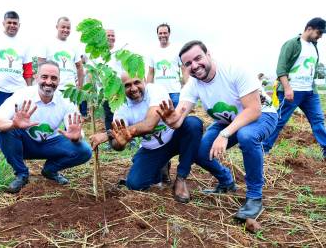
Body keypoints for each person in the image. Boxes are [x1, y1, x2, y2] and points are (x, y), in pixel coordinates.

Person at [158, 40, 278, 220]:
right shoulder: (193, 84)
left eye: (198, 58)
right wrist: (172, 119)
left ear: (208, 55)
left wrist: (224, 134)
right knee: (199, 151)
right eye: (188, 64)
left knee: (246, 136)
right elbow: (180, 113)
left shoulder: (234, 70)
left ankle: (254, 197)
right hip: (227, 120)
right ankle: (226, 182)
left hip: (261, 115)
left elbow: (253, 110)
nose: (195, 66)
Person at [90, 73, 203, 203]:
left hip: (174, 137)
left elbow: (149, 124)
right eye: (127, 85)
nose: (133, 88)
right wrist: (120, 143)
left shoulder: (155, 90)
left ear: (144, 80)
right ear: (121, 88)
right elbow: (117, 143)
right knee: (135, 184)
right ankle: (162, 166)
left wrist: (107, 134)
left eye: (136, 82)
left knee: (193, 124)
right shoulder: (121, 107)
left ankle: (181, 178)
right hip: (152, 148)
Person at [0, 60, 92, 193]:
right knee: (6, 131)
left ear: (59, 81)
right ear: (36, 77)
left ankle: (50, 170)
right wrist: (13, 124)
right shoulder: (23, 95)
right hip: (25, 145)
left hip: (51, 144)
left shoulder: (66, 101)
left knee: (84, 150)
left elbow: (76, 131)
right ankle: (21, 174)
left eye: (54, 78)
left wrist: (76, 138)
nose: (49, 82)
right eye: (44, 77)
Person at [263, 17, 326, 159]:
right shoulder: (292, 44)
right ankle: (263, 149)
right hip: (292, 91)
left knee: (318, 121)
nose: (320, 37)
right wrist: (287, 88)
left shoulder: (314, 46)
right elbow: (281, 68)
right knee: (278, 120)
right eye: (319, 32)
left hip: (310, 92)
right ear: (309, 28)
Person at [0, 11, 33, 151]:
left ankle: (15, 152)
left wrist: (29, 90)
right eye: (9, 22)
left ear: (19, 25)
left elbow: (28, 69)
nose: (12, 25)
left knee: (17, 122)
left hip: (19, 91)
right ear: (3, 23)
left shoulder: (25, 44)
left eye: (15, 23)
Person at [146, 23, 188, 108]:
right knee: (159, 119)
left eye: (165, 33)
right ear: (157, 34)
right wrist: (147, 90)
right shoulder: (152, 52)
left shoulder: (177, 50)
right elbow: (150, 72)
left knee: (177, 117)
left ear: (169, 33)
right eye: (160, 33)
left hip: (175, 92)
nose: (163, 35)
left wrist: (187, 87)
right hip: (158, 93)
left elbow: (184, 69)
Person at [38, 16, 84, 91]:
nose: (65, 30)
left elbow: (80, 67)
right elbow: (40, 65)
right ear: (57, 27)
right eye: (63, 27)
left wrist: (80, 87)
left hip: (70, 90)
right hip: (52, 87)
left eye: (68, 28)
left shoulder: (74, 46)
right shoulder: (46, 43)